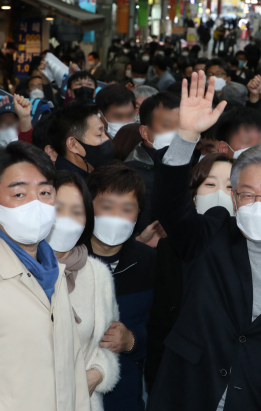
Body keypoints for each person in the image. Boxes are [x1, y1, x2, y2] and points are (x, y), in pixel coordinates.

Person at [148, 71, 261, 411]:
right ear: (233, 198)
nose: (259, 203)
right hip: (189, 394)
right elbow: (168, 206)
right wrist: (187, 134)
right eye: (248, 194)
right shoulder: (212, 234)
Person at [0, 141, 89, 411]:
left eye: (45, 192)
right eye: (19, 195)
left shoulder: (54, 271)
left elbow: (74, 367)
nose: (36, 204)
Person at [145, 152, 234, 389]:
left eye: (230, 187)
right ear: (193, 196)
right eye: (210, 184)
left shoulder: (249, 250)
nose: (219, 193)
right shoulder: (170, 249)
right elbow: (159, 322)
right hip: (178, 377)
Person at [45, 171, 120, 411]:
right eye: (58, 209)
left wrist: (98, 373)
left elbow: (107, 344)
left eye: (77, 212)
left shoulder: (98, 274)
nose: (66, 219)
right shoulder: (17, 268)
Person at [85, 164, 157, 411]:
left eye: (127, 209)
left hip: (126, 396)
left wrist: (132, 341)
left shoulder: (151, 263)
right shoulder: (69, 258)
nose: (116, 216)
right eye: (106, 207)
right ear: (88, 206)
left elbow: (163, 329)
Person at [125, 92, 180, 233]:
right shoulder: (133, 174)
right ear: (144, 132)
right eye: (167, 126)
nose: (176, 133)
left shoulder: (182, 162)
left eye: (180, 126)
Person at [50, 100, 115, 179]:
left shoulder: (94, 178)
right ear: (73, 145)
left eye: (105, 133)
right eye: (99, 135)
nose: (107, 139)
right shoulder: (66, 187)